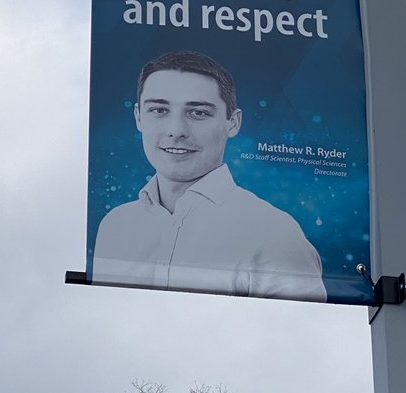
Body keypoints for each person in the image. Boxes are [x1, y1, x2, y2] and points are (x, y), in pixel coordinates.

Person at [93, 50, 327, 302]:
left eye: (198, 113)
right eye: (159, 110)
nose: (176, 131)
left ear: (233, 123)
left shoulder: (274, 233)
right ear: (138, 117)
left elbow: (298, 335)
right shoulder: (114, 226)